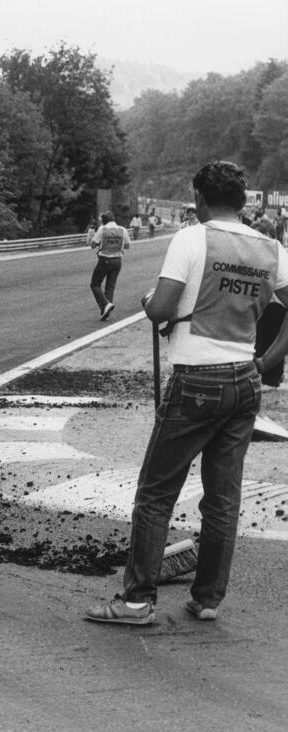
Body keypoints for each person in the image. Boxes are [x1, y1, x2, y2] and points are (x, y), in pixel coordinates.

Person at [85, 161, 288, 625]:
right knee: (222, 497)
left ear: (199, 196)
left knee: (156, 493)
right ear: (243, 201)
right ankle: (208, 598)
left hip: (197, 380)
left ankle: (136, 601)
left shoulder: (192, 238)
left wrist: (147, 304)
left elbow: (160, 309)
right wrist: (268, 360)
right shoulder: (271, 248)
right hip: (245, 379)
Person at [252, 217, 286, 391]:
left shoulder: (278, 253)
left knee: (274, 336)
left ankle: (272, 378)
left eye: (264, 236)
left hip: (277, 303)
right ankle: (263, 373)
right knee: (261, 337)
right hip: (263, 304)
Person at [89, 210, 131, 321]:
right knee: (110, 287)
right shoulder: (122, 229)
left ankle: (105, 304)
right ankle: (105, 312)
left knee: (95, 284)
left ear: (103, 221)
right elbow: (127, 246)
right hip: (118, 260)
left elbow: (92, 245)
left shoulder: (102, 229)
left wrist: (92, 234)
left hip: (105, 259)